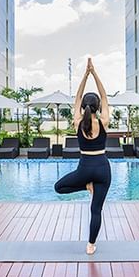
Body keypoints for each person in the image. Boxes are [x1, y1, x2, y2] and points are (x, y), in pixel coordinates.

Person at [54, 58, 112, 255]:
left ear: (84, 107)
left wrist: (85, 75)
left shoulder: (78, 121)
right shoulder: (104, 121)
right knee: (96, 210)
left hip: (85, 169)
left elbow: (77, 98)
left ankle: (85, 185)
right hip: (103, 169)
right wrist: (94, 73)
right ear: (97, 107)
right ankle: (90, 245)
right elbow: (104, 96)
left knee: (59, 188)